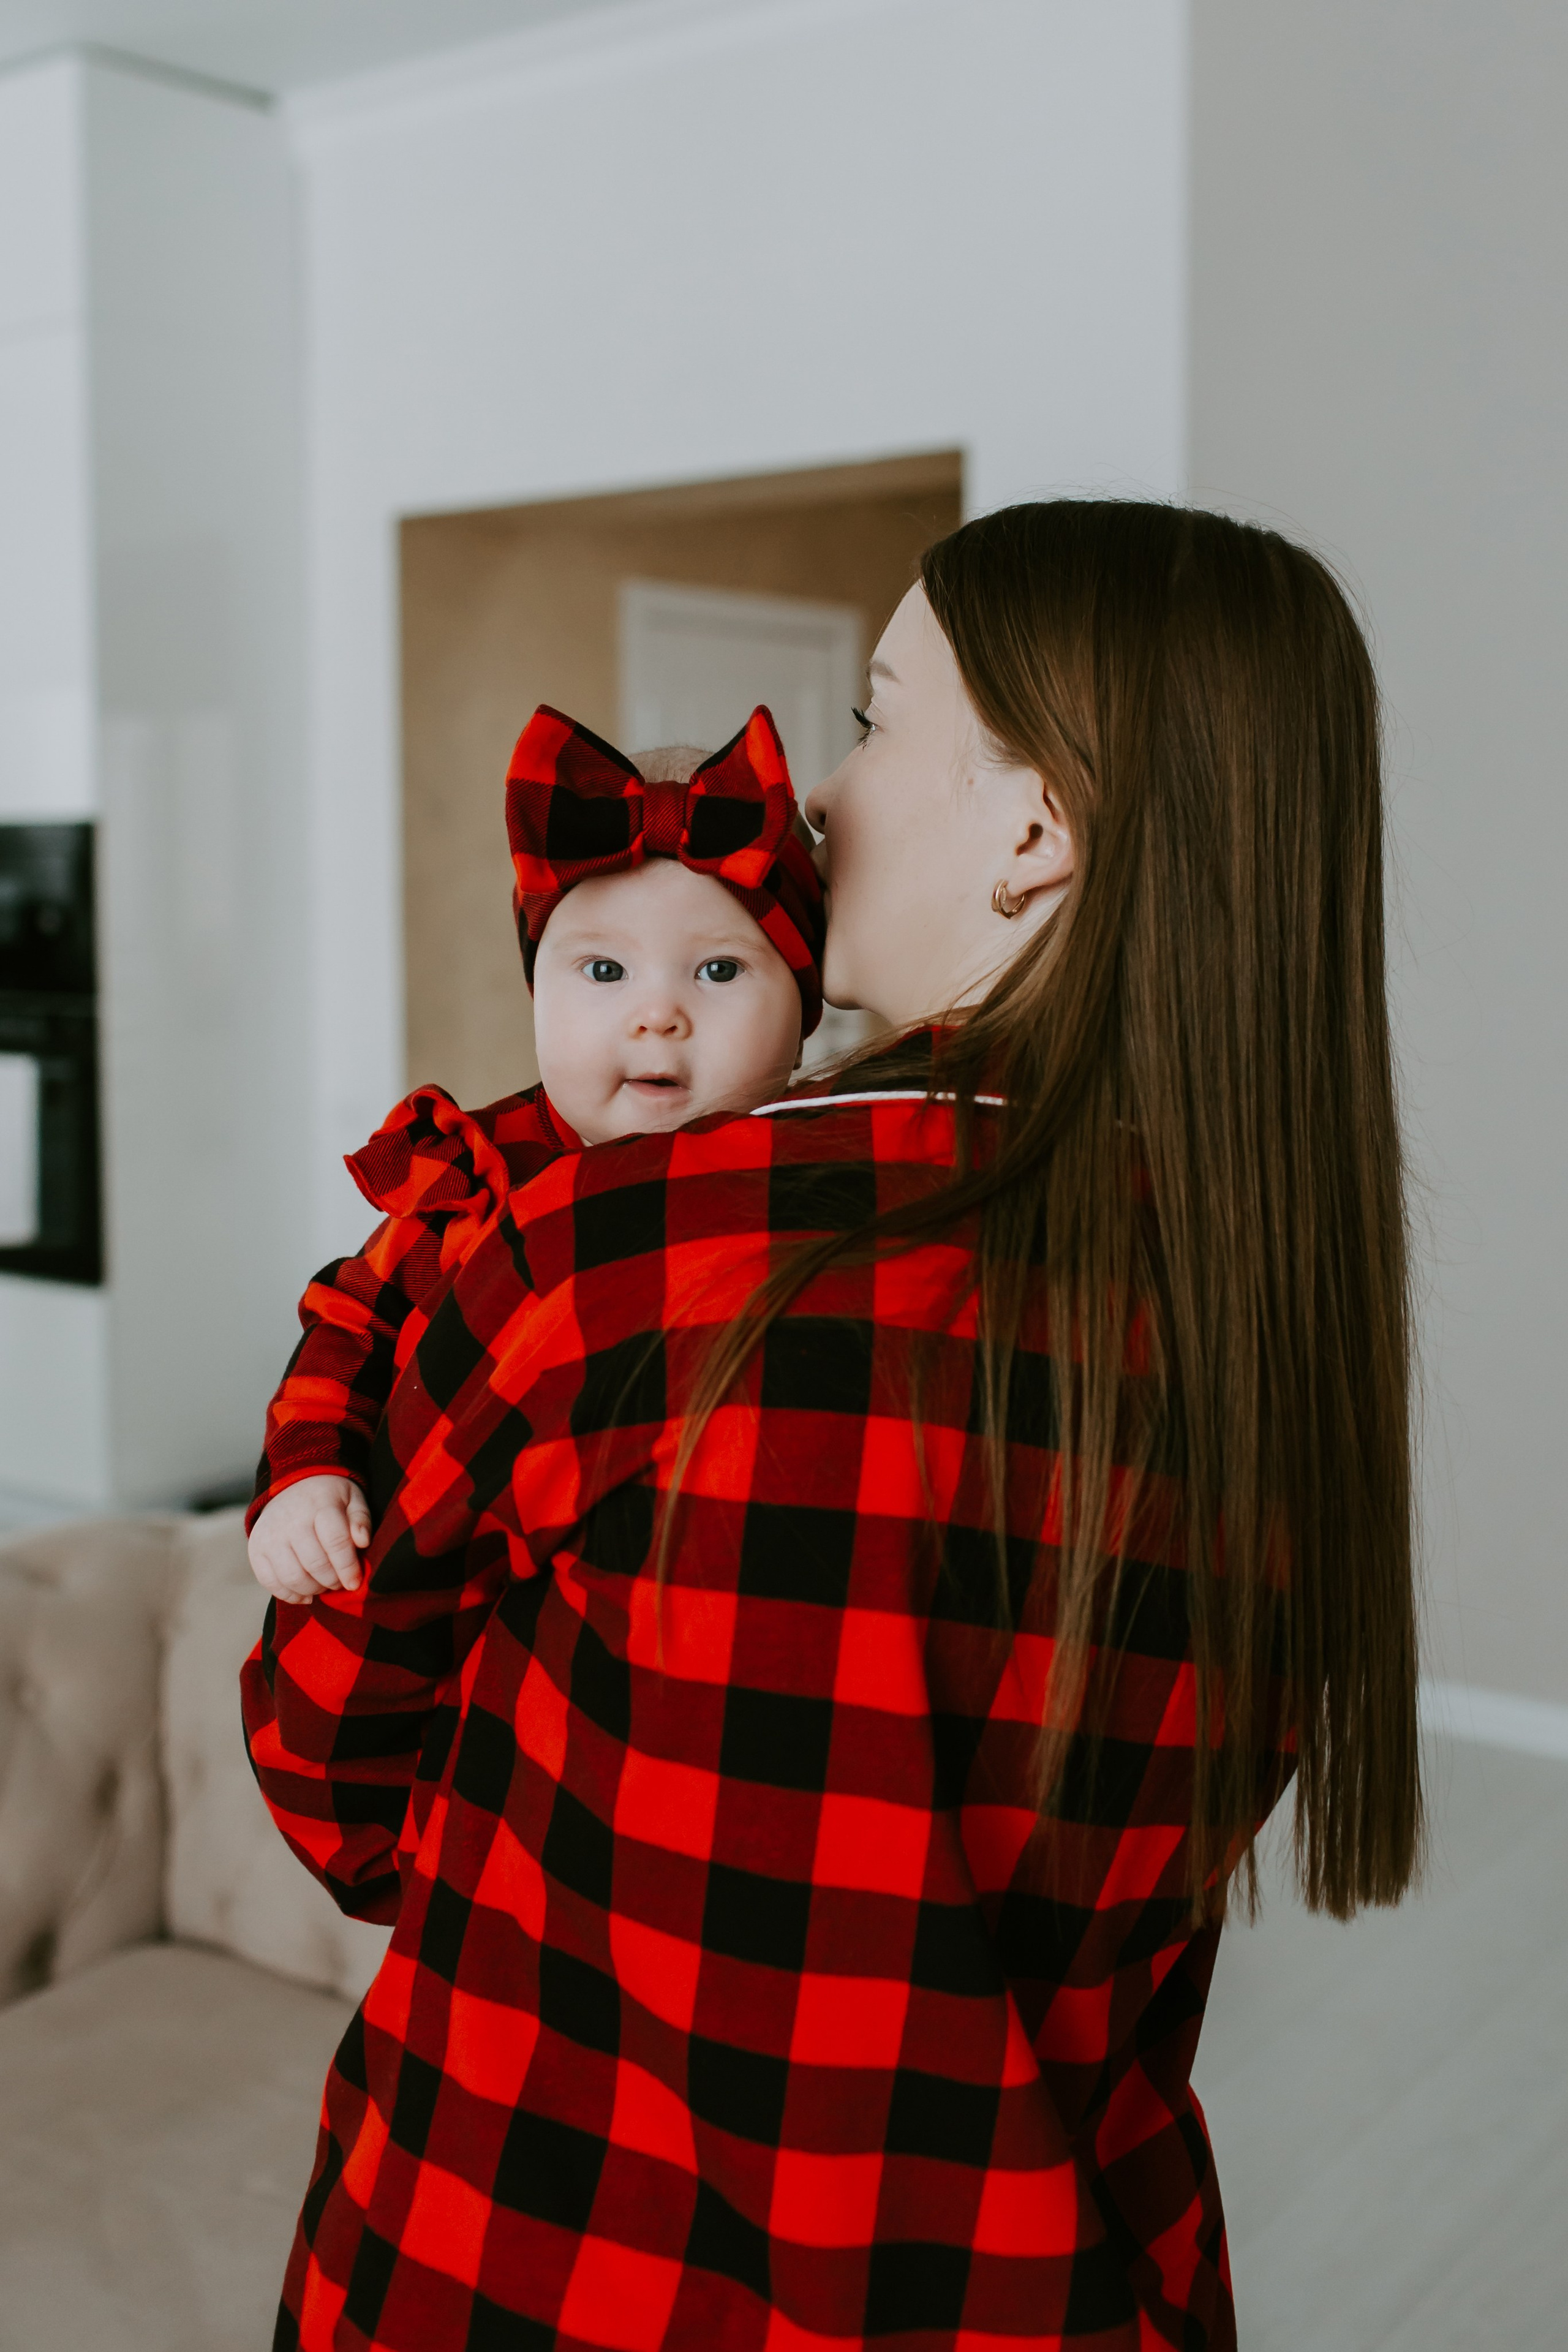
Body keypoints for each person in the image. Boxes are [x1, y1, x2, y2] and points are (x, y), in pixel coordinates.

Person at [243, 501, 1422, 2351]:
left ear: (1034, 827)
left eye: (874, 725)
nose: (821, 802)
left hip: (549, 2271)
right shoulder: (1279, 1320)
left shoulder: (607, 1257)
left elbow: (340, 1791)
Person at [246, 701, 826, 1604]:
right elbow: (350, 1326)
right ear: (535, 990)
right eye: (604, 971)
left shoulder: (816, 1183)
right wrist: (309, 1476)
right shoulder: (475, 1177)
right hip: (443, 1576)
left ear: (805, 1008)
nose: (656, 1014)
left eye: (718, 970)